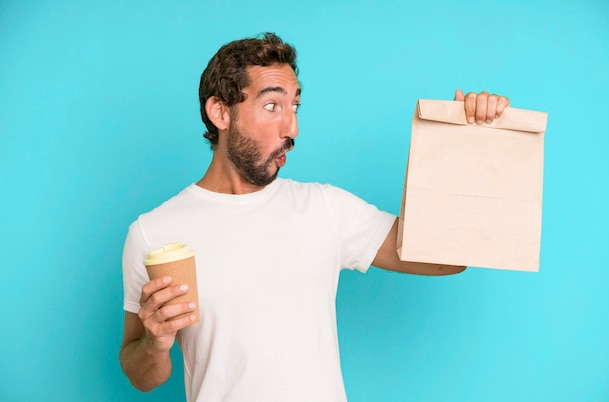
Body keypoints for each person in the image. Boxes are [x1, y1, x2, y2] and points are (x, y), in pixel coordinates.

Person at [119, 32, 510, 402]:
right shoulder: (154, 232)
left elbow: (447, 258)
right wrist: (155, 342)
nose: (292, 127)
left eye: (295, 106)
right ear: (220, 112)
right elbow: (142, 377)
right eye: (272, 106)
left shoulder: (326, 209)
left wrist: (467, 140)